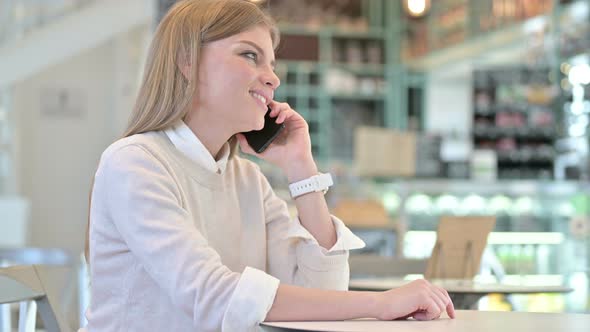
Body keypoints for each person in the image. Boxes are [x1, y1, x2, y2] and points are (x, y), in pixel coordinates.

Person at [82, 0, 455, 331]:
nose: (273, 78)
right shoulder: (135, 163)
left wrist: (300, 167)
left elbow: (321, 293)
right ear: (186, 62)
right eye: (249, 55)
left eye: (272, 64)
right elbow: (216, 298)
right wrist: (379, 304)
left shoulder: (246, 178)